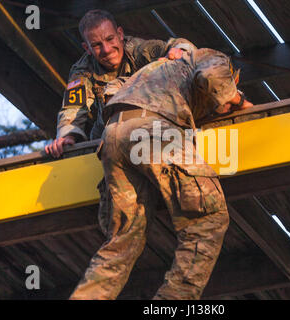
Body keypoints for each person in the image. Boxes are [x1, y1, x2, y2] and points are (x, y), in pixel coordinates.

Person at [68, 47, 253, 299]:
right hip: (152, 129)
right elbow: (211, 79)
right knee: (207, 219)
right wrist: (238, 100)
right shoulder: (210, 57)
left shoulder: (151, 73)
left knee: (122, 242)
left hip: (112, 137)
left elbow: (104, 114)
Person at [45, 9, 197, 158]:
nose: (106, 49)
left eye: (110, 39)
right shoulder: (82, 70)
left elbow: (178, 45)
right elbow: (73, 108)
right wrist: (68, 135)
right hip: (108, 132)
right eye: (97, 45)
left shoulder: (140, 50)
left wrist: (179, 51)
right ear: (87, 48)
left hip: (152, 120)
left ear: (120, 34)